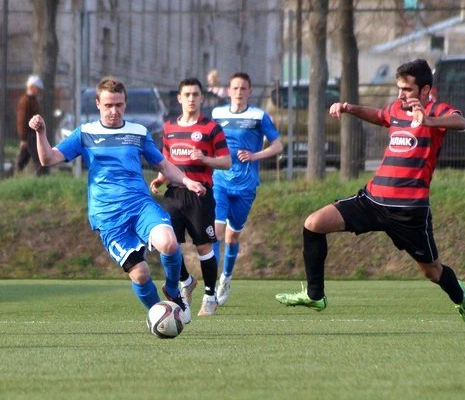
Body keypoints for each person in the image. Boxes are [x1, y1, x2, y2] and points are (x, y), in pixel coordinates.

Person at [275, 59, 465, 328]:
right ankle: (315, 296)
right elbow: (381, 116)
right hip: (372, 201)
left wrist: (427, 120)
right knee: (313, 224)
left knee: (432, 271)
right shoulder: (396, 108)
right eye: (399, 88)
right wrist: (349, 108)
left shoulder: (436, 110)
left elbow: (460, 121)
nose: (400, 95)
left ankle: (460, 297)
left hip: (409, 212)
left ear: (425, 90)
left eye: (407, 89)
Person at [29, 77, 207, 322]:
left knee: (169, 243)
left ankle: (173, 292)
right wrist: (41, 133)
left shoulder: (137, 132)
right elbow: (48, 159)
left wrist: (187, 181)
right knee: (141, 274)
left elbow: (163, 165)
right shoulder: (86, 133)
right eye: (108, 105)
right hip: (108, 216)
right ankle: (161, 315)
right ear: (98, 104)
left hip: (140, 206)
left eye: (119, 105)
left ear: (125, 103)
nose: (114, 111)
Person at [150, 78, 231, 316]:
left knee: (203, 246)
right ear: (179, 98)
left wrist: (204, 159)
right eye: (187, 94)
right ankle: (186, 281)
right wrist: (160, 179)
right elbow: (166, 160)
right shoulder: (169, 128)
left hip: (200, 195)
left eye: (196, 94)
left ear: (202, 98)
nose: (191, 99)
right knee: (167, 244)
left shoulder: (211, 128)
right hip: (174, 194)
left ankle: (210, 296)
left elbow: (227, 161)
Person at [211, 72, 283, 306]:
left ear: (249, 92)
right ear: (228, 91)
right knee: (216, 233)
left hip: (245, 186)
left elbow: (278, 146)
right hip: (220, 181)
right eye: (235, 88)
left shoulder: (258, 116)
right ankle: (210, 288)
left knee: (232, 238)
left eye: (243, 89)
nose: (239, 92)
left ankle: (226, 278)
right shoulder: (217, 114)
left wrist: (254, 156)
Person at [15, 75, 49, 176]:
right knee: (40, 160)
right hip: (30, 136)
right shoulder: (25, 101)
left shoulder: (33, 101)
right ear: (32, 87)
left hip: (34, 135)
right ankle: (41, 179)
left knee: (22, 161)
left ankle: (13, 176)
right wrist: (23, 138)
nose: (39, 91)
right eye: (38, 89)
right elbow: (21, 120)